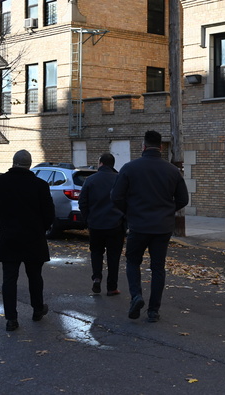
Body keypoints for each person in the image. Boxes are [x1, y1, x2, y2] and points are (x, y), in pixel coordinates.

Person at [111, 130, 189, 322]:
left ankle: (136, 296)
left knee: (132, 262)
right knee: (158, 268)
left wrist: (129, 212)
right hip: (162, 227)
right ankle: (153, 310)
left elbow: (116, 197)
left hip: (138, 225)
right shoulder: (172, 171)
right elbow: (183, 199)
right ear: (161, 147)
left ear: (143, 146)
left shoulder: (129, 168)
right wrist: (168, 210)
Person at [0, 150, 55, 331]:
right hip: (34, 238)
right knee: (35, 277)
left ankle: (11, 319)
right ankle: (38, 309)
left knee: (9, 279)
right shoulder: (40, 185)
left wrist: (3, 219)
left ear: (13, 162)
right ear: (29, 164)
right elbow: (49, 214)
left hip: (9, 237)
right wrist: (40, 228)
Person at [79, 153, 125, 296]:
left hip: (96, 224)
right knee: (113, 256)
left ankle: (97, 277)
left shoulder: (90, 180)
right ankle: (112, 287)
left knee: (96, 252)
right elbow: (127, 201)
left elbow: (82, 202)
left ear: (101, 163)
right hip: (116, 224)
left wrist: (87, 219)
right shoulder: (119, 179)